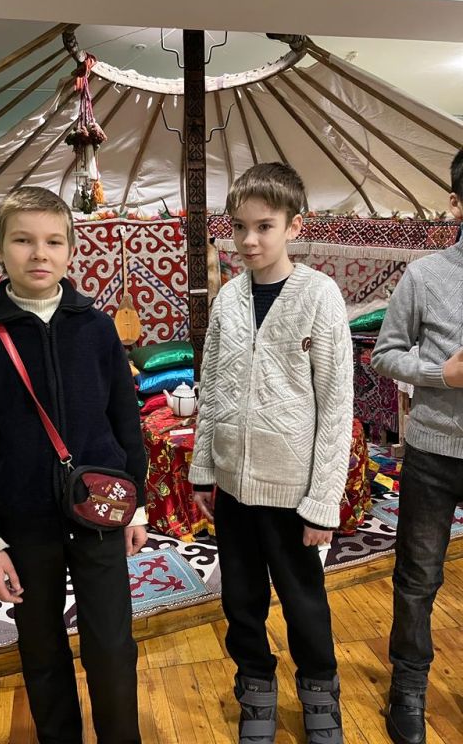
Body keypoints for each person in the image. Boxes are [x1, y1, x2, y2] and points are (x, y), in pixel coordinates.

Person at [0, 186, 148, 744]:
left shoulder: (98, 329)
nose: (40, 253)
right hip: (24, 524)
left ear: (71, 250)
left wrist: (136, 506)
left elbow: (125, 421)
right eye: (23, 240)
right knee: (40, 648)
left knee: (112, 646)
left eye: (54, 241)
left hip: (100, 512)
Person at [189, 162, 353, 744]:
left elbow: (336, 406)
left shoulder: (319, 296)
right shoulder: (228, 300)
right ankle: (255, 689)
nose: (249, 240)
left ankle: (320, 692)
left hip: (293, 493)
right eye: (239, 227)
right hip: (234, 489)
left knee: (304, 601)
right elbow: (211, 387)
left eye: (264, 226)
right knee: (241, 601)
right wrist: (203, 470)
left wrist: (323, 501)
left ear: (293, 226)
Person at [371, 148, 463, 744]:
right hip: (433, 452)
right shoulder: (425, 276)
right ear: (457, 203)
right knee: (418, 577)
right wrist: (440, 375)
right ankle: (407, 687)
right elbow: (384, 354)